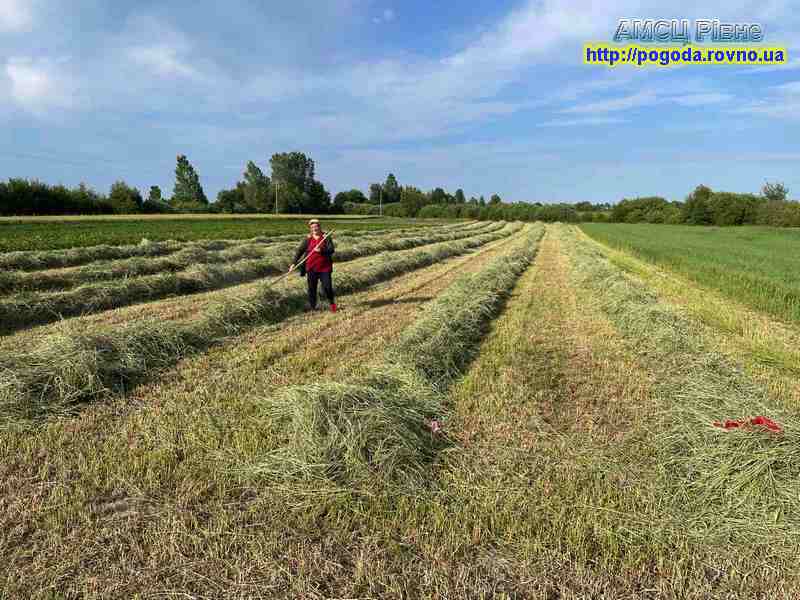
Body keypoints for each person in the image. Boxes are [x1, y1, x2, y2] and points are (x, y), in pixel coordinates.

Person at [292, 218, 337, 312]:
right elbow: (299, 251)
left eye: (316, 226)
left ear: (319, 227)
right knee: (312, 289)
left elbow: (331, 250)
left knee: (327, 287)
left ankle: (332, 304)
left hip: (324, 268)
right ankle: (313, 307)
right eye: (312, 227)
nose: (314, 228)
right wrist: (293, 263)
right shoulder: (308, 239)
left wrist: (321, 251)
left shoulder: (326, 237)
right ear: (310, 229)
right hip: (311, 268)